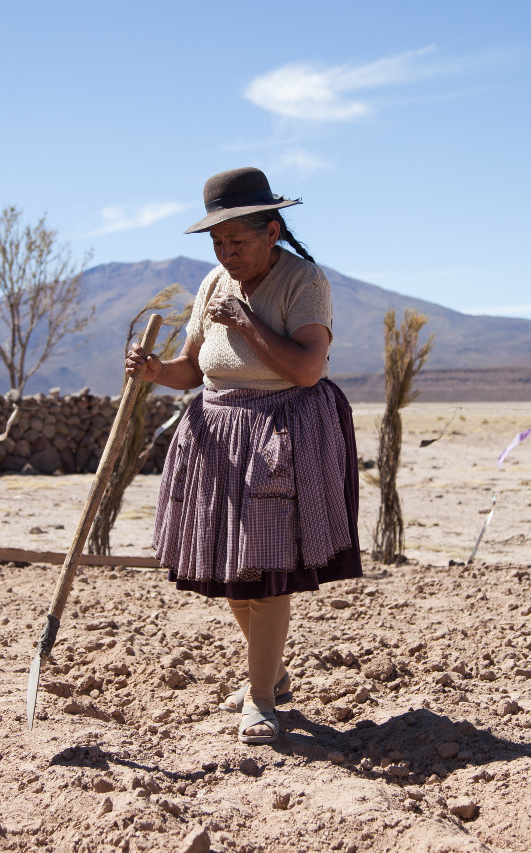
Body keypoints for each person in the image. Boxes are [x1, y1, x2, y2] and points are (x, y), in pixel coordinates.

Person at [125, 166, 363, 745]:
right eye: (218, 242)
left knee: (266, 570)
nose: (226, 253)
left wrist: (249, 322)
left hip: (280, 432)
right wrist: (157, 372)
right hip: (217, 433)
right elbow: (193, 368)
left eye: (237, 240)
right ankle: (272, 674)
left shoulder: (305, 283)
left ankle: (260, 700)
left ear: (272, 231)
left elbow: (307, 370)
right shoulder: (213, 284)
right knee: (232, 570)